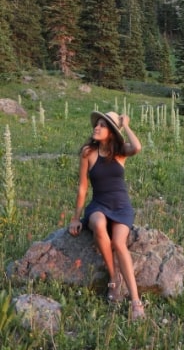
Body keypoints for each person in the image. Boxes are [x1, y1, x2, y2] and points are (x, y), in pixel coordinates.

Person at [68, 111, 144, 320]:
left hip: (121, 207)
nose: (97, 127)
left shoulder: (120, 152)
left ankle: (136, 302)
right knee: (99, 224)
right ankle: (113, 278)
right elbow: (83, 187)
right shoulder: (88, 153)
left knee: (119, 243)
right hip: (99, 205)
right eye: (97, 124)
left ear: (111, 132)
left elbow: (137, 147)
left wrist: (126, 125)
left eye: (103, 125)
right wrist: (76, 217)